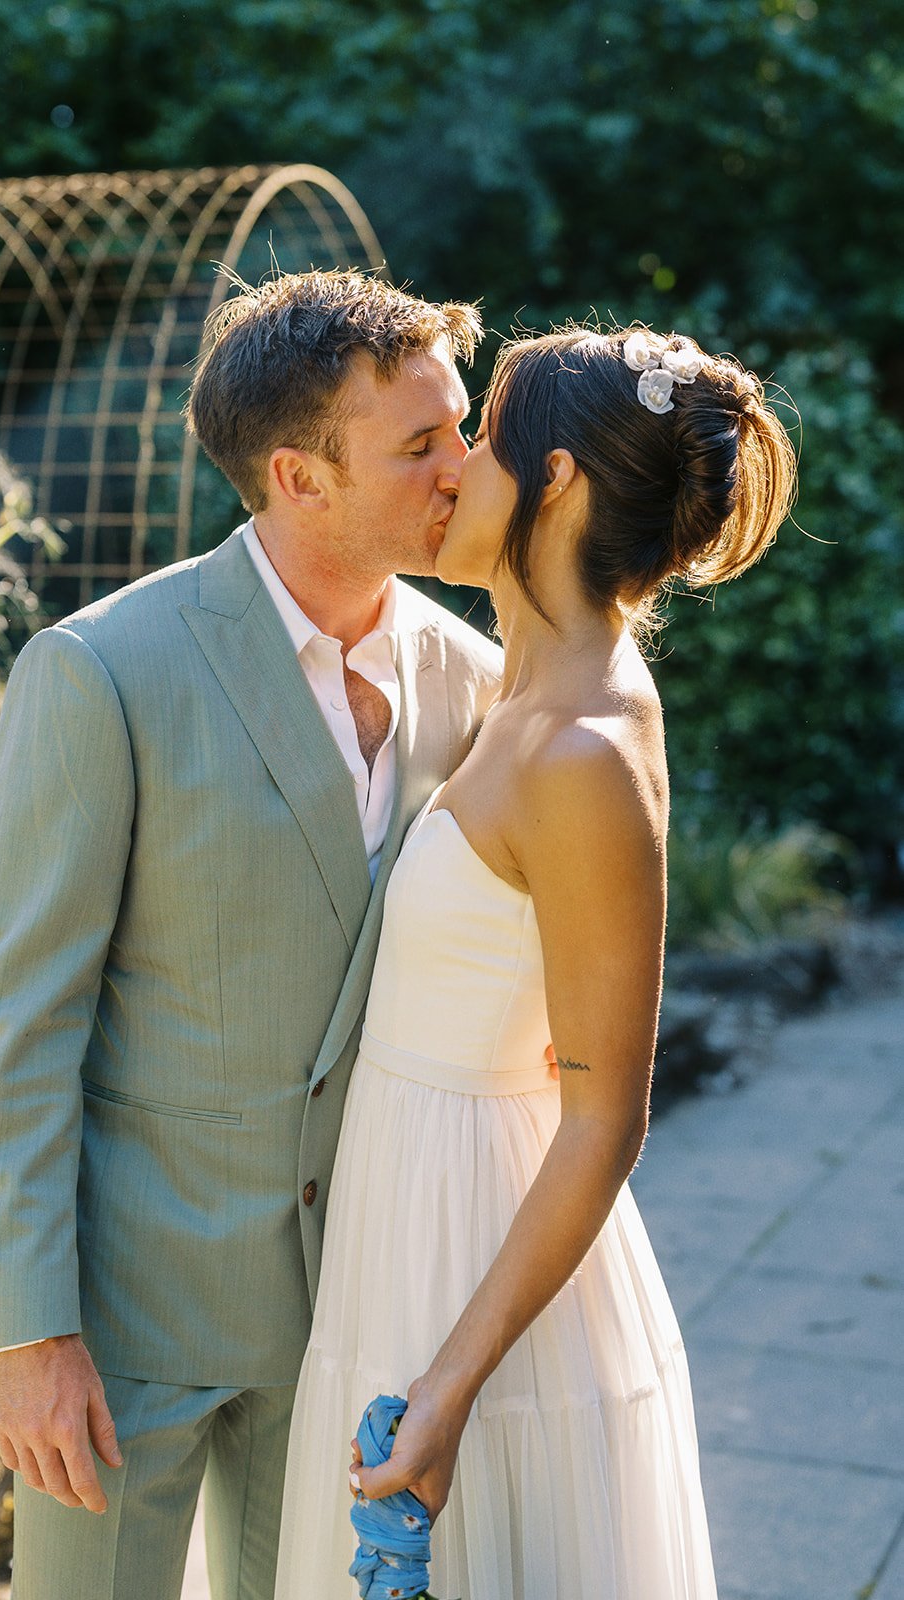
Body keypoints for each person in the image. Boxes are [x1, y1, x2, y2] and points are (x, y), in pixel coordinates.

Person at [0, 268, 503, 1600]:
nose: (462, 467)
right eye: (419, 444)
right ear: (298, 478)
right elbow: (15, 1021)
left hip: (363, 1307)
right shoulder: (101, 670)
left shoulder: (477, 679)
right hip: (127, 1319)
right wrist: (27, 1335)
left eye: (460, 426)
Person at [274, 325, 796, 1598]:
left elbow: (604, 1117)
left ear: (552, 483)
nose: (450, 469)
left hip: (473, 1243)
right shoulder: (515, 690)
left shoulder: (583, 748)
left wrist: (450, 1384)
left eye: (481, 440)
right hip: (403, 1205)